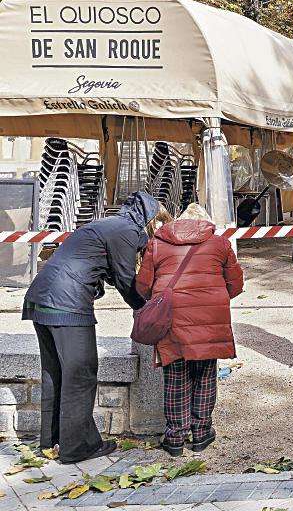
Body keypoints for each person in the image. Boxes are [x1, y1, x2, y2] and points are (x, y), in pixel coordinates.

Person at [23, 191, 170, 464]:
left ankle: (52, 440)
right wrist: (147, 309)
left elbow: (109, 272)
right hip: (67, 304)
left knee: (55, 373)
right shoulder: (127, 230)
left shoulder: (108, 223)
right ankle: (78, 447)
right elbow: (126, 279)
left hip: (41, 298)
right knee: (81, 375)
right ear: (150, 219)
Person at [136, 203, 243, 456]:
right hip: (210, 317)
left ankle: (175, 438)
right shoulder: (220, 244)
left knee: (175, 376)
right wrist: (213, 297)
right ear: (205, 223)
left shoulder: (158, 243)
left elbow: (143, 285)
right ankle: (202, 433)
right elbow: (236, 284)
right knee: (205, 374)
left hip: (171, 318)